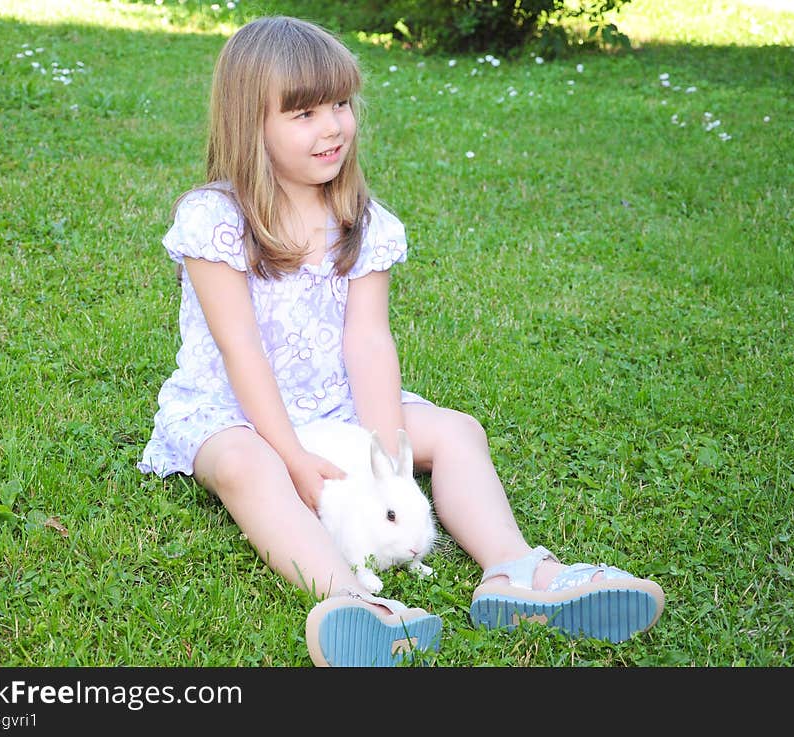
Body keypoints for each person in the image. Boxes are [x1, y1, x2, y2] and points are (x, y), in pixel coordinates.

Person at [138, 15, 665, 667]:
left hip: (336, 402)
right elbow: (239, 348)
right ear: (252, 125)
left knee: (457, 430)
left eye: (339, 103)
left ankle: (517, 570)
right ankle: (360, 602)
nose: (332, 126)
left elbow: (367, 339)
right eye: (304, 113)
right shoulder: (215, 222)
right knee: (252, 468)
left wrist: (386, 451)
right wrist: (295, 456)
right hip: (232, 412)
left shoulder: (362, 221)